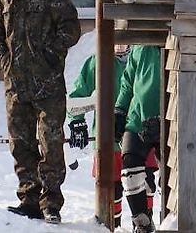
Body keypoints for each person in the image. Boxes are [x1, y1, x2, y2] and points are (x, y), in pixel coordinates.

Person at [0, 0, 81, 225]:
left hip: (47, 87)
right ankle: (29, 199)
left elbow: (71, 27)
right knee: (21, 144)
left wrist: (51, 52)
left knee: (50, 144)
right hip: (16, 87)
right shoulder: (4, 0)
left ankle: (51, 202)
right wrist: (3, 58)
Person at [68, 44, 162, 228]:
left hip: (144, 126)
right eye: (115, 42)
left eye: (123, 42)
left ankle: (144, 222)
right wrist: (76, 120)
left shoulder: (146, 50)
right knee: (113, 187)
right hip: (110, 136)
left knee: (147, 180)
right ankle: (112, 224)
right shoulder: (98, 62)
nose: (119, 47)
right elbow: (77, 94)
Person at [114, 44, 163, 233]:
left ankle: (171, 219)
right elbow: (127, 82)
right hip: (137, 118)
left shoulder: (174, 42)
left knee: (170, 176)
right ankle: (141, 221)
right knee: (130, 171)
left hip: (169, 118)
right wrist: (119, 111)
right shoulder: (139, 47)